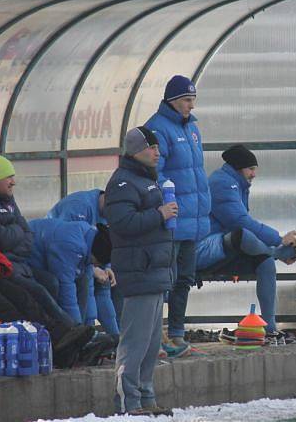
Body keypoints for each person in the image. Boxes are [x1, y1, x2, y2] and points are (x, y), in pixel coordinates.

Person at [0, 154, 93, 368]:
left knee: (28, 296)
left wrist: (2, 265)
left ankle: (62, 339)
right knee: (9, 312)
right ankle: (51, 346)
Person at [197, 145, 296, 345]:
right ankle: (280, 253)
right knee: (244, 235)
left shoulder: (236, 184)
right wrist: (278, 239)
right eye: (251, 169)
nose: (254, 174)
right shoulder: (222, 184)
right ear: (239, 168)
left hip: (225, 245)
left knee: (265, 263)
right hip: (203, 248)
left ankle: (270, 329)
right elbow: (240, 222)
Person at [105, 126, 176, 416]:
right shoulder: (123, 183)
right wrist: (159, 214)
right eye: (151, 147)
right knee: (135, 341)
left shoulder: (148, 180)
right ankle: (128, 400)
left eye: (158, 148)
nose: (157, 152)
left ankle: (146, 398)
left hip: (155, 270)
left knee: (151, 343)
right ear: (136, 151)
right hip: (139, 271)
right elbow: (123, 224)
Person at [145, 74, 211, 357]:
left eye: (193, 100)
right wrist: (164, 204)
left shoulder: (193, 129)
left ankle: (177, 335)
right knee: (164, 280)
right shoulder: (158, 129)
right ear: (172, 101)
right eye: (186, 100)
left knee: (184, 278)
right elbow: (154, 172)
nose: (191, 106)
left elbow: (196, 173)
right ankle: (156, 337)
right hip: (172, 221)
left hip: (192, 221)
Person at [0, 154, 77, 330]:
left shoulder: (8, 198)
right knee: (39, 292)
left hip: (20, 262)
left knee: (51, 281)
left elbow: (28, 234)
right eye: (8, 177)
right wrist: (16, 232)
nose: (13, 182)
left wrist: (14, 235)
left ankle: (55, 333)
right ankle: (66, 331)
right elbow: (1, 239)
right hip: (4, 266)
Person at [47, 188, 120, 339]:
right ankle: (85, 335)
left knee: (105, 283)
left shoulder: (108, 213)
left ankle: (116, 338)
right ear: (107, 200)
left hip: (86, 256)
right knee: (87, 282)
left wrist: (106, 267)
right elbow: (66, 245)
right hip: (60, 257)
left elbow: (104, 242)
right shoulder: (78, 206)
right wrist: (93, 268)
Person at [27, 218, 112, 327]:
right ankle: (60, 332)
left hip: (44, 257)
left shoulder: (89, 240)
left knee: (84, 280)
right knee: (54, 284)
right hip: (26, 260)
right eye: (97, 263)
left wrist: (89, 325)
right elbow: (66, 290)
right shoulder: (70, 245)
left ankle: (81, 329)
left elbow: (88, 291)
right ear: (94, 254)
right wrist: (76, 329)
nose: (96, 266)